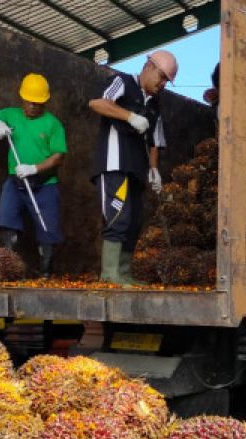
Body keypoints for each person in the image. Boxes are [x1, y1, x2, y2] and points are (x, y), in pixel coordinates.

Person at [88, 50, 176, 285]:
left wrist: (154, 170)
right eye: (162, 76)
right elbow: (97, 103)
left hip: (137, 171)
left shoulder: (155, 105)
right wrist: (129, 116)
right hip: (114, 165)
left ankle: (124, 273)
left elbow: (155, 142)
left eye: (167, 80)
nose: (163, 84)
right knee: (119, 217)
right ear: (148, 67)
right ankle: (109, 275)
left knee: (135, 221)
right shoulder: (123, 82)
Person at [0, 73, 67, 278]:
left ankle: (45, 272)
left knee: (48, 228)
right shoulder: (11, 114)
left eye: (38, 103)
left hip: (45, 183)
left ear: (45, 102)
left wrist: (34, 168)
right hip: (15, 181)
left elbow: (58, 157)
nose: (33, 107)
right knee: (7, 219)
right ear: (22, 98)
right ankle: (9, 269)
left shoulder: (53, 124)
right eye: (29, 102)